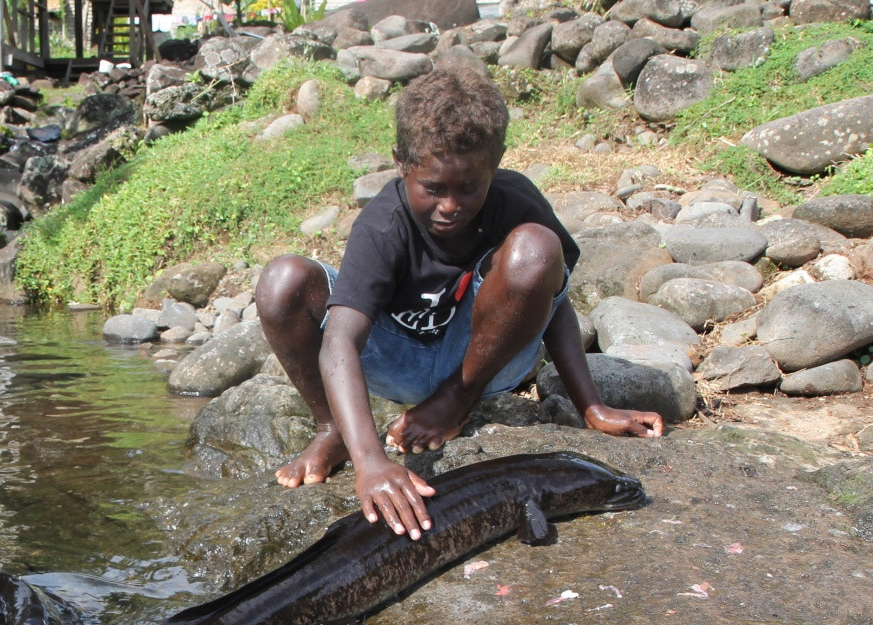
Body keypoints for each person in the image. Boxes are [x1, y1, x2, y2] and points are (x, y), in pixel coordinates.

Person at [254, 64, 664, 541]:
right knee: (283, 280)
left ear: (497, 162)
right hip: (394, 358)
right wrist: (371, 462)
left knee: (536, 249)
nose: (450, 205)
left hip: (484, 363)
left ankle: (456, 398)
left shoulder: (516, 202)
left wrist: (591, 407)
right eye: (433, 188)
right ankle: (335, 431)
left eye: (468, 187)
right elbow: (340, 340)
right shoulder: (382, 224)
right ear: (402, 164)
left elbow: (555, 300)